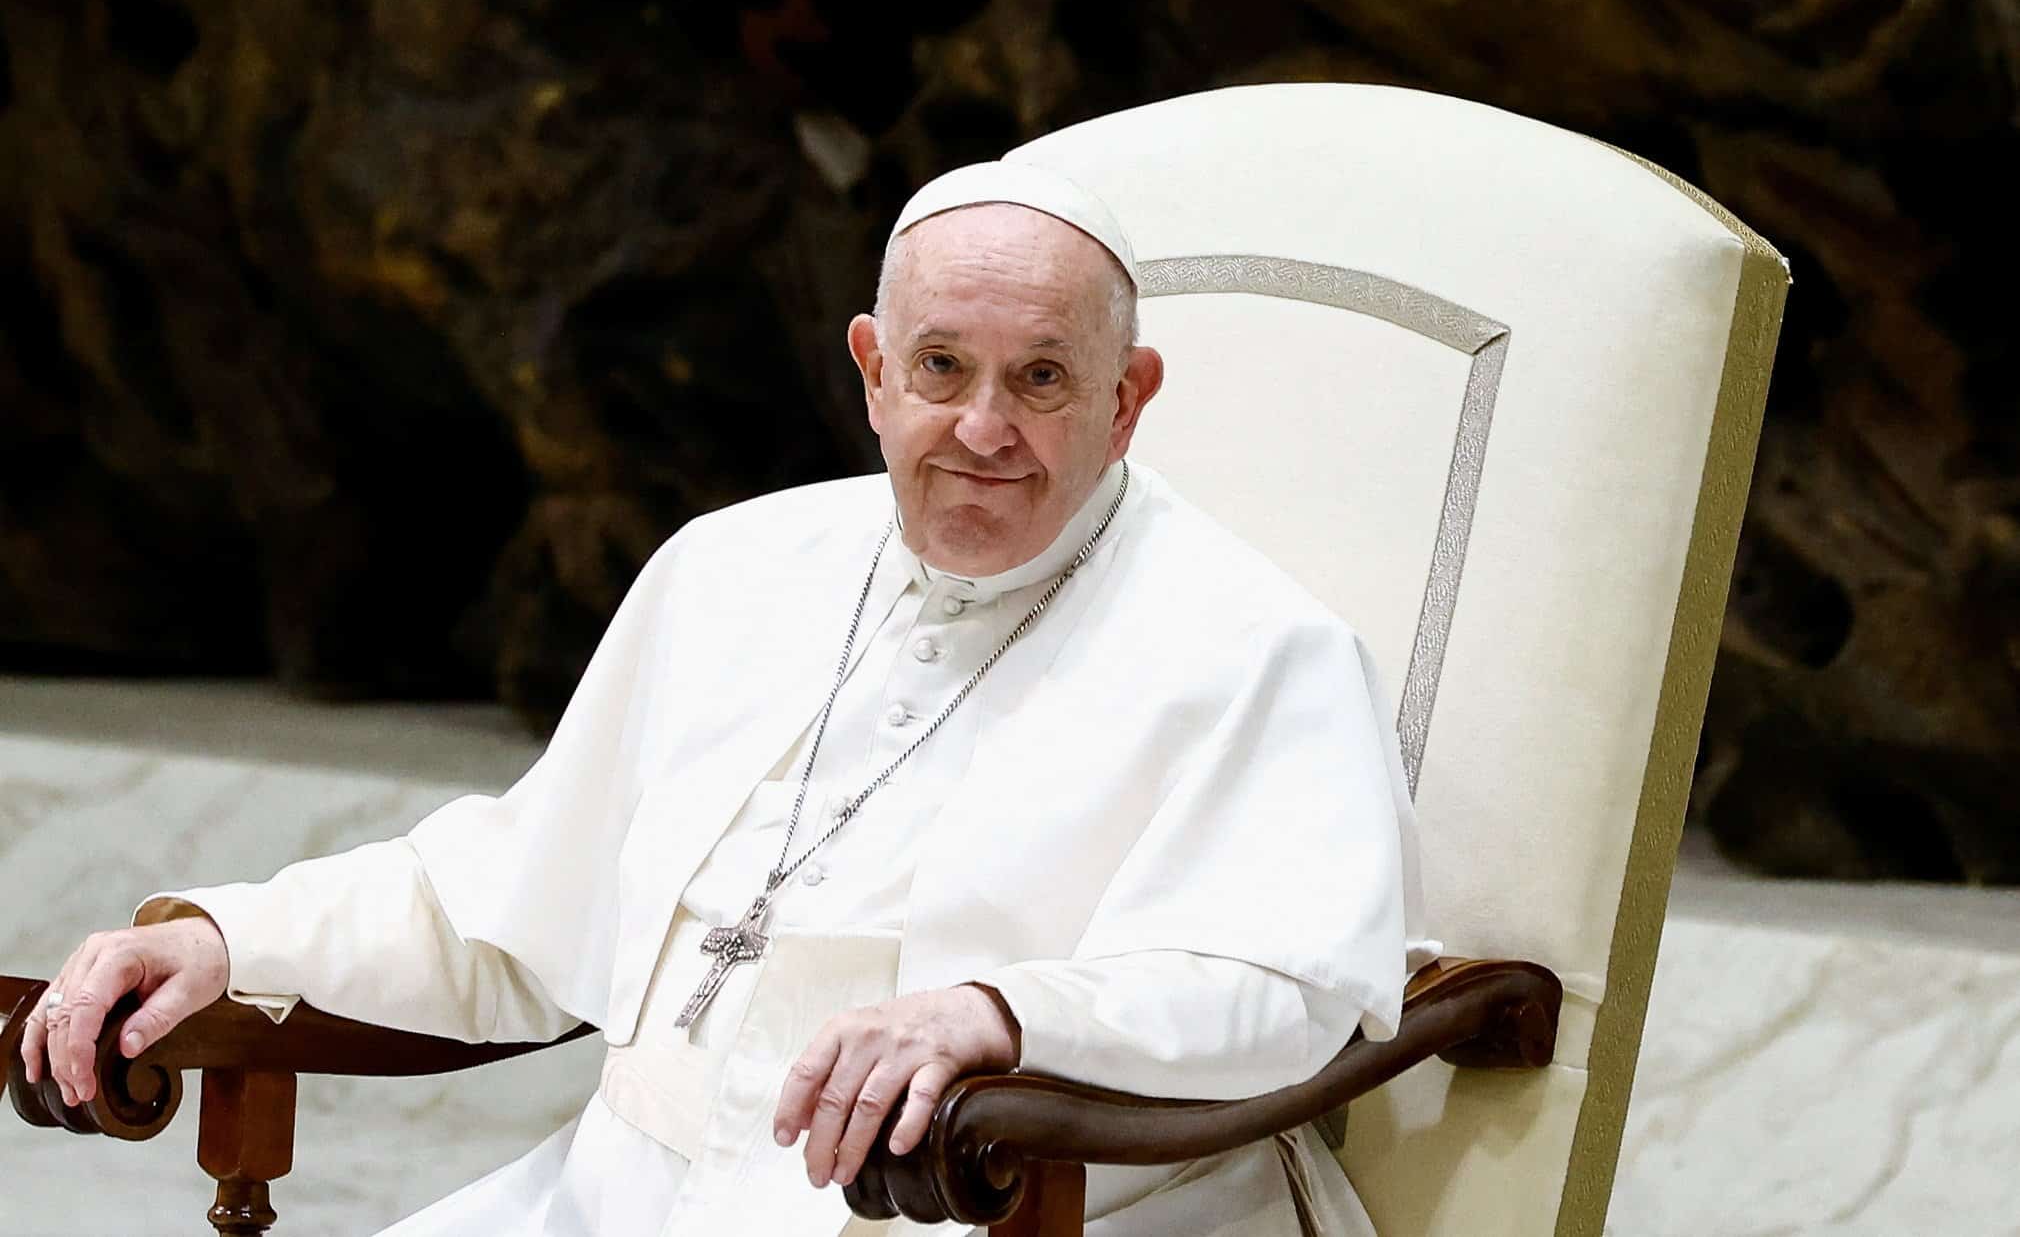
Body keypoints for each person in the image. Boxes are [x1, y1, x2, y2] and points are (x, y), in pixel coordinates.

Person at [22, 161, 1433, 1236]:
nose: (984, 429)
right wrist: (234, 941)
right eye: (941, 369)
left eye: (1044, 379)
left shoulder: (1260, 648)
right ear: (873, 371)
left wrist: (1002, 1014)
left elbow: (1287, 992)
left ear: (1127, 401)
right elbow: (514, 904)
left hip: (1006, 1216)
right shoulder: (729, 568)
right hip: (622, 1199)